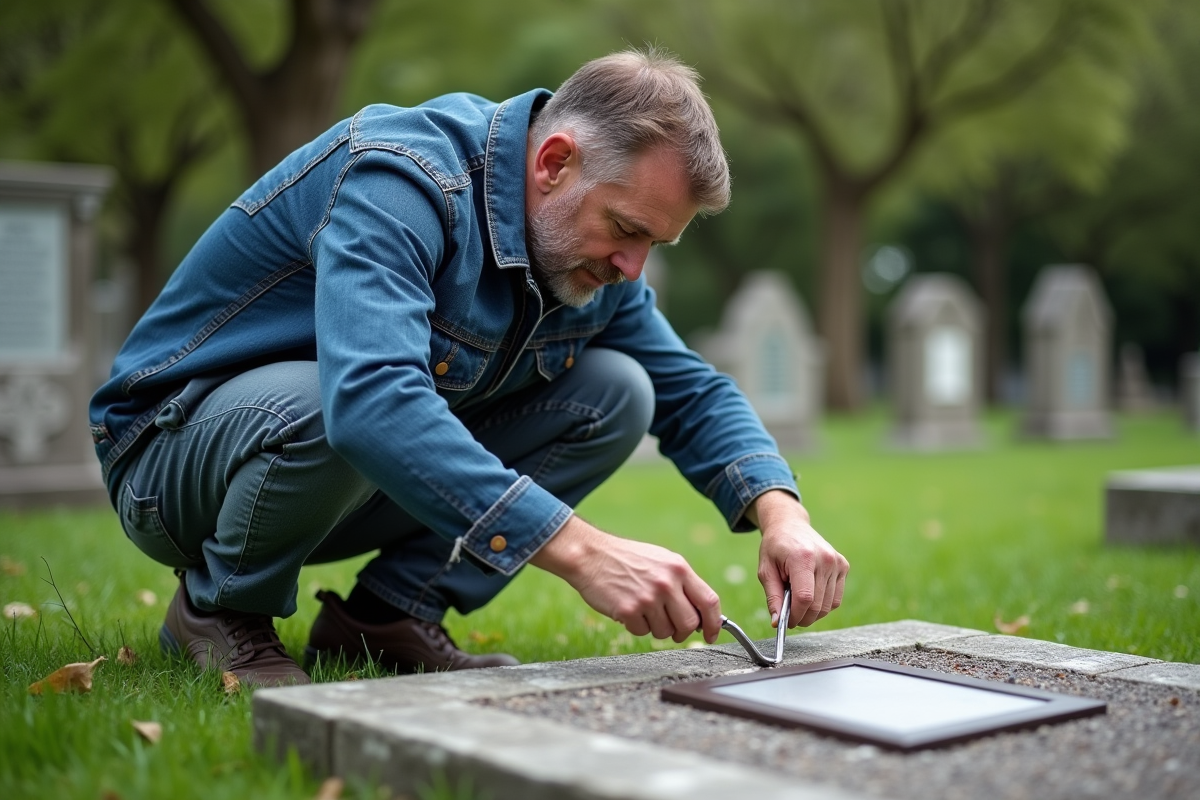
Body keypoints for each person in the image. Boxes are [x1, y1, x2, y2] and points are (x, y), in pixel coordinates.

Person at [89, 48, 849, 687]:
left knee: (619, 393)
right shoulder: (400, 180)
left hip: (329, 473)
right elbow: (372, 402)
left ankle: (386, 617)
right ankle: (221, 610)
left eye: (654, 245)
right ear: (554, 162)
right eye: (625, 230)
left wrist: (784, 515)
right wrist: (584, 551)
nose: (632, 266)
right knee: (337, 399)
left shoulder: (584, 260)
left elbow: (692, 391)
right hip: (171, 462)